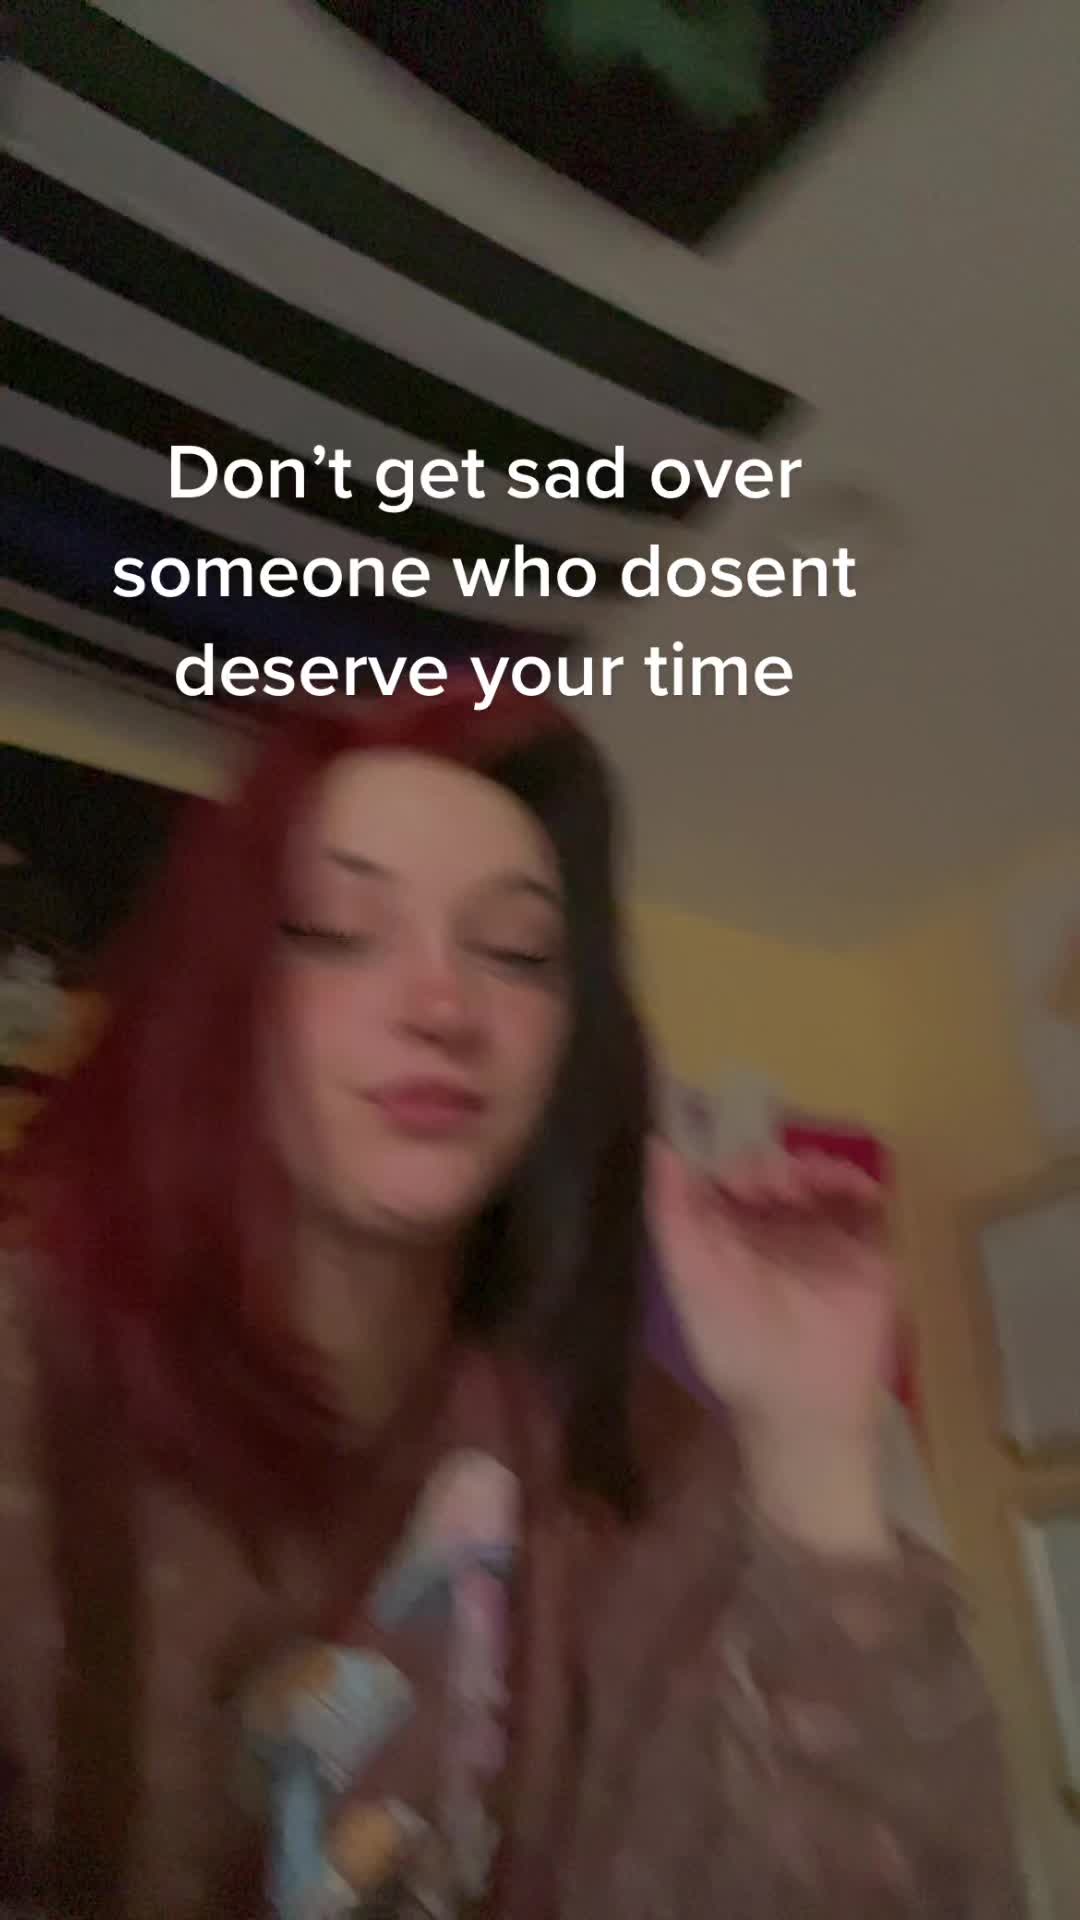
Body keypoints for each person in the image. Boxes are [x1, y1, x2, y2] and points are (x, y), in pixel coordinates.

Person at [0, 679, 1024, 1920]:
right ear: (223, 996)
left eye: (517, 952)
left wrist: (815, 1447)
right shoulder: (33, 1371)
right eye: (338, 929)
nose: (444, 1005)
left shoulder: (630, 1470)